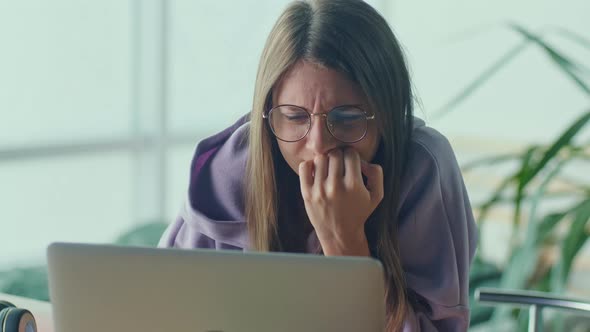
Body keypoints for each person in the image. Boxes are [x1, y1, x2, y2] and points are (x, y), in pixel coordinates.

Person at [158, 0, 478, 330]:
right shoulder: (227, 175)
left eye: (348, 118)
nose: (319, 145)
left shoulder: (423, 169)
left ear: (386, 114)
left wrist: (346, 243)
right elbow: (156, 305)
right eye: (295, 117)